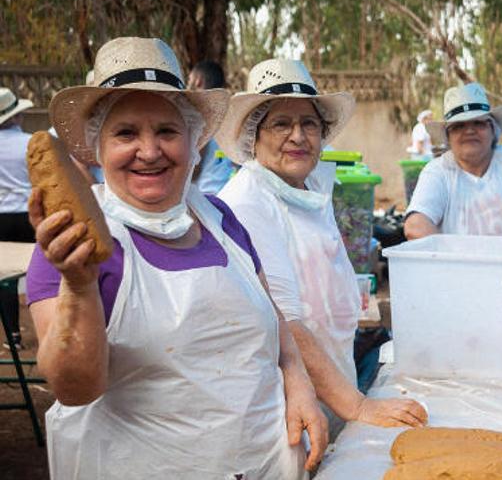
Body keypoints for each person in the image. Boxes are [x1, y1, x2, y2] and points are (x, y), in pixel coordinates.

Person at [27, 37, 325, 478]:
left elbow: (273, 318)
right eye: (126, 133)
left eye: (167, 131)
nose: (149, 151)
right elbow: (75, 388)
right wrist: (78, 285)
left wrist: (297, 380)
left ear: (192, 140)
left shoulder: (221, 218)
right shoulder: (72, 243)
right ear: (97, 148)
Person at [216, 58, 427, 437]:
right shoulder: (249, 203)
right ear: (253, 134)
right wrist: (358, 405)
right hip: (285, 409)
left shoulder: (309, 189)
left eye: (308, 123)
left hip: (333, 391)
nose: (298, 136)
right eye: (281, 123)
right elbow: (288, 326)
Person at [404, 82, 502, 239]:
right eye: (458, 126)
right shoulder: (438, 170)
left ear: (493, 130)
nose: (470, 131)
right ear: (448, 137)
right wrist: (457, 261)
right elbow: (415, 225)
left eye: (478, 123)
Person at [0, 86, 35, 350]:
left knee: (6, 276)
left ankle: (13, 336)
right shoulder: (31, 142)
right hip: (29, 212)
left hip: (1, 216)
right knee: (44, 267)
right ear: (15, 117)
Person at [189, 60, 236, 194]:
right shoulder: (230, 114)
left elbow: (194, 170)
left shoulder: (201, 116)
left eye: (189, 79)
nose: (188, 83)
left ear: (198, 81)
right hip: (228, 193)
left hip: (207, 198)